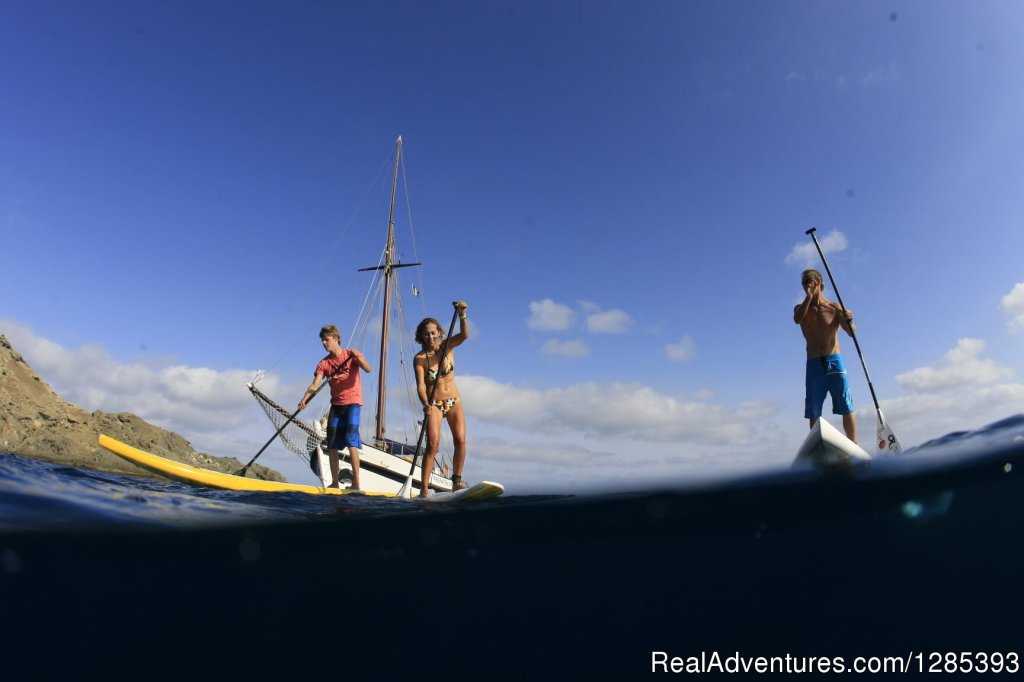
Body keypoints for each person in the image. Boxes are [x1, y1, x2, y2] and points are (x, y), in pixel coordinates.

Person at [297, 325, 372, 490]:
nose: (324, 343)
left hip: (353, 403)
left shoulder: (350, 355)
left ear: (336, 338)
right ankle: (335, 482)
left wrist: (358, 356)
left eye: (327, 339)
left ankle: (356, 484)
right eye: (322, 340)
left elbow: (368, 369)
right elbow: (315, 384)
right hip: (336, 406)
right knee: (331, 445)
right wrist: (304, 399)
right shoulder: (324, 363)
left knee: (351, 440)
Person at [793, 268, 858, 442]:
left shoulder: (834, 308)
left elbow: (852, 333)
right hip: (813, 363)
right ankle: (818, 445)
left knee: (846, 405)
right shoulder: (801, 309)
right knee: (813, 410)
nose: (808, 286)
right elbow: (797, 319)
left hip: (834, 361)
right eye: (805, 283)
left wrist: (849, 319)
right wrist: (809, 296)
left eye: (811, 282)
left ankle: (854, 443)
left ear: (821, 284)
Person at [414, 300, 470, 497]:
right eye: (426, 333)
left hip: (453, 399)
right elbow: (421, 385)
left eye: (433, 332)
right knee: (433, 445)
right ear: (422, 336)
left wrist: (462, 314)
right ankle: (423, 489)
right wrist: (425, 403)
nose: (430, 336)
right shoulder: (420, 359)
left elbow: (464, 335)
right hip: (434, 403)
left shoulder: (448, 347)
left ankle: (456, 481)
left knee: (461, 440)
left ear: (439, 332)